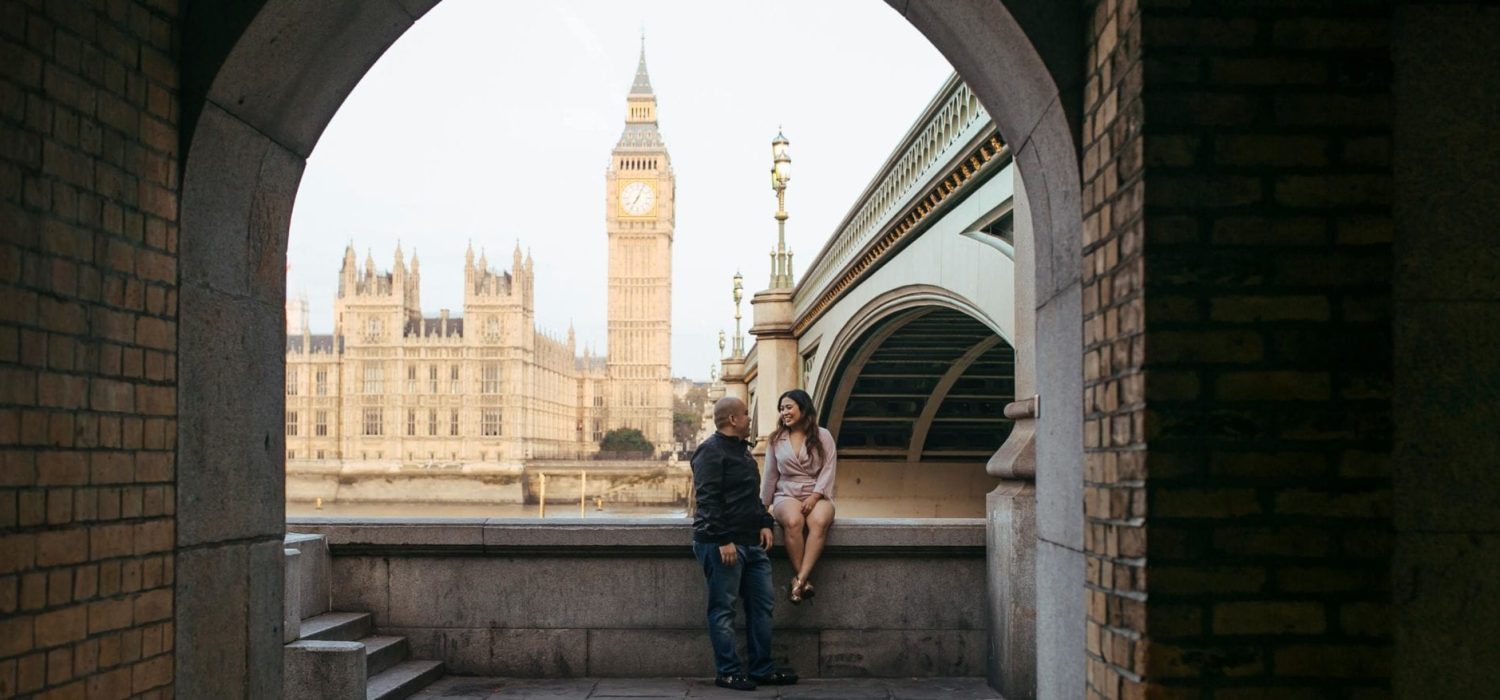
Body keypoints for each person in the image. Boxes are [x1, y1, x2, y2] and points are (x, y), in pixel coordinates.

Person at [690, 396, 799, 691]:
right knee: (723, 609)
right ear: (733, 420)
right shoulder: (709, 452)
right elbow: (708, 500)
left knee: (762, 607)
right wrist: (722, 539)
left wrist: (764, 523)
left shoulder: (743, 452)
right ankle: (727, 672)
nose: (750, 419)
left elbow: (751, 499)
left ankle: (762, 669)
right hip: (723, 544)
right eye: (745, 415)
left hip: (751, 542)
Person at [760, 389, 837, 605]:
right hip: (787, 493)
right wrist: (763, 508)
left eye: (788, 407)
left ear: (803, 408)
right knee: (793, 522)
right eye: (781, 409)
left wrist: (815, 496)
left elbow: (829, 468)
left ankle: (799, 580)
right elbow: (770, 474)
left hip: (818, 492)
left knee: (819, 521)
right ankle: (804, 579)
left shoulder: (823, 436)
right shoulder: (776, 439)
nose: (784, 412)